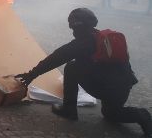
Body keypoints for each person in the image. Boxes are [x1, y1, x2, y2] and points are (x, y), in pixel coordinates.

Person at [16, 8, 151, 137]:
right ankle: (139, 115)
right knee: (110, 114)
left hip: (108, 87)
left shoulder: (82, 44)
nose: (72, 30)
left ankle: (69, 110)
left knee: (72, 67)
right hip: (123, 86)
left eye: (73, 26)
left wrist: (31, 75)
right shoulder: (99, 37)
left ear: (76, 27)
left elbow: (55, 58)